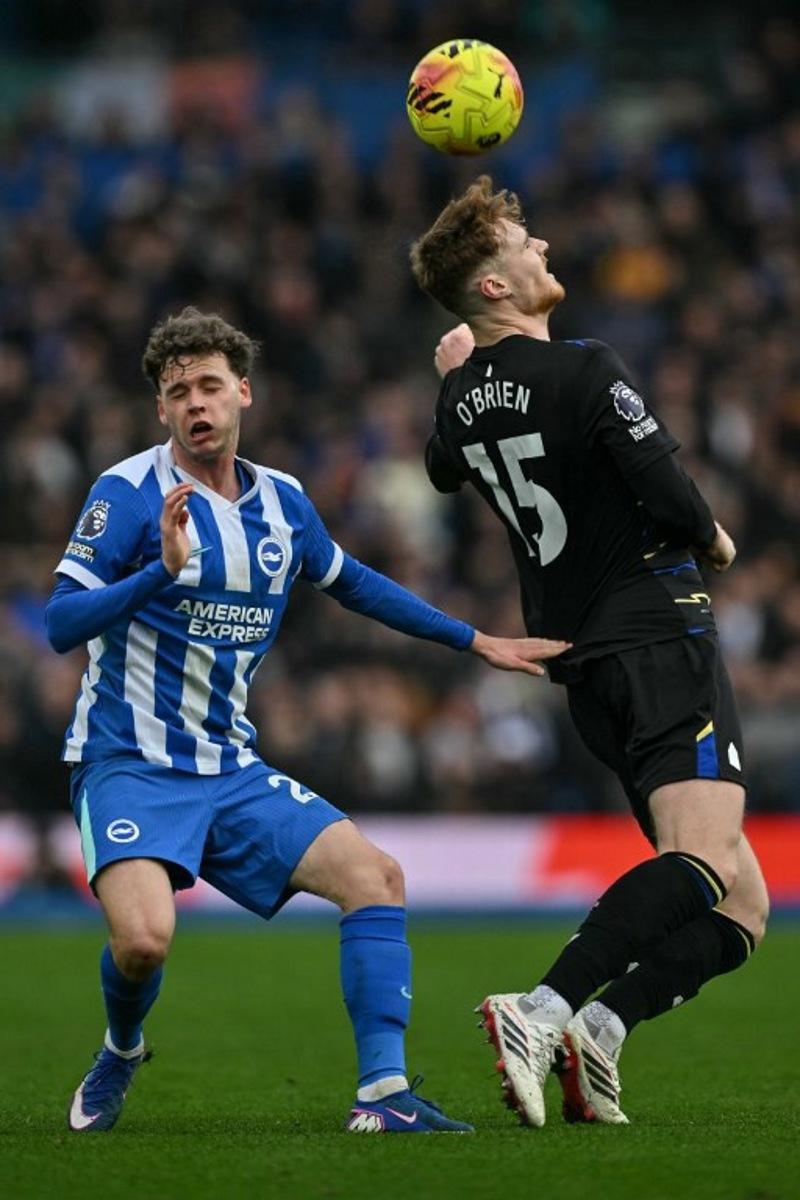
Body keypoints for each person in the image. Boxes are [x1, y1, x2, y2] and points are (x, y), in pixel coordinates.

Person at [47, 306, 569, 1135]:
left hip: (230, 765)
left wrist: (476, 641)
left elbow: (355, 582)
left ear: (244, 392)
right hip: (129, 762)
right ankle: (121, 1047)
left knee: (377, 878)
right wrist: (159, 573)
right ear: (161, 409)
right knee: (144, 942)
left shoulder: (284, 503)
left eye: (210, 385)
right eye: (177, 391)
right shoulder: (128, 491)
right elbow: (60, 624)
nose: (195, 403)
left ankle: (384, 1095)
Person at [410, 177, 768, 1127]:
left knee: (742, 906)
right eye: (524, 241)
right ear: (493, 286)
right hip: (658, 635)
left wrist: (455, 374)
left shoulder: (458, 404)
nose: (544, 249)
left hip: (584, 668)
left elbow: (444, 468)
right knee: (700, 860)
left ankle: (599, 1030)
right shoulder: (584, 366)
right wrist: (717, 538)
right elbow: (673, 493)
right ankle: (541, 1008)